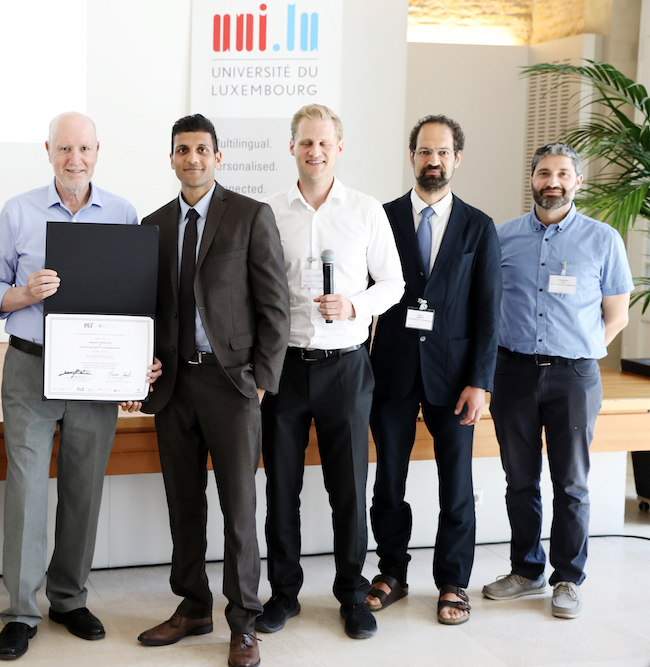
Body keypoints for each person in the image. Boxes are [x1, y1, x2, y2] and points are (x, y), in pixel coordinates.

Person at [0, 112, 153, 661]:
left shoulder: (124, 213)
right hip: (31, 366)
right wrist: (25, 293)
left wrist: (134, 368)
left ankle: (70, 599)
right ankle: (21, 611)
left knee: (84, 487)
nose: (74, 159)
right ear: (48, 150)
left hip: (96, 374)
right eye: (64, 149)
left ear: (97, 152)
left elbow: (134, 298)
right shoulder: (18, 211)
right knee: (27, 489)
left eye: (83, 149)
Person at [136, 114, 290, 667]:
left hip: (232, 385)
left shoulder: (250, 215)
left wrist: (262, 382)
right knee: (184, 503)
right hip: (174, 386)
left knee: (239, 509)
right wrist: (138, 369)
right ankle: (193, 606)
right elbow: (147, 309)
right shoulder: (154, 225)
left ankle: (244, 622)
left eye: (202, 149)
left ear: (218, 157)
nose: (192, 158)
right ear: (171, 159)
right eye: (183, 150)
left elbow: (275, 305)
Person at [258, 103, 404, 640]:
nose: (314, 151)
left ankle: (351, 595)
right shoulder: (270, 211)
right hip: (285, 370)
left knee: (348, 489)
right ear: (291, 147)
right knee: (282, 490)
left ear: (339, 148)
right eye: (305, 142)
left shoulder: (365, 210)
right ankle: (284, 593)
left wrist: (354, 305)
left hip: (345, 368)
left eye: (323, 143)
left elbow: (393, 284)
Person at [482, 142, 633, 619]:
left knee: (571, 483)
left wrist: (580, 349)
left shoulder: (603, 239)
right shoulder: (502, 237)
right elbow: (486, 307)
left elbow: (618, 315)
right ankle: (526, 570)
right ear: (532, 179)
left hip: (574, 375)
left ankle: (568, 578)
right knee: (519, 479)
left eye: (563, 174)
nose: (553, 182)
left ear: (577, 181)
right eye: (544, 173)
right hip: (513, 372)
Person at [365, 115, 501, 625]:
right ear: (412, 157)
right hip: (392, 372)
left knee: (457, 485)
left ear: (457, 159)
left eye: (443, 152)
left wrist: (480, 382)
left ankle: (452, 581)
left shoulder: (479, 226)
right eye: (425, 151)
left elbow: (488, 312)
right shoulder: (381, 218)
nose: (434, 161)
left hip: (456, 378)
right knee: (388, 482)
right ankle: (392, 572)